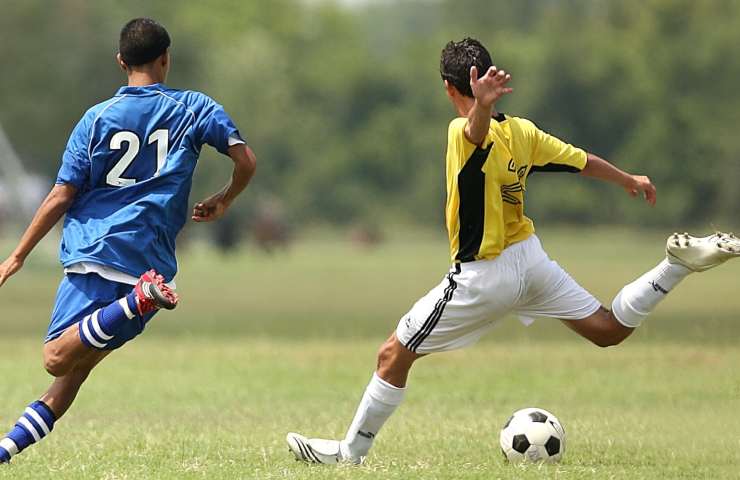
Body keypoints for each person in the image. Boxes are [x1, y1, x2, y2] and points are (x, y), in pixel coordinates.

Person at [286, 37, 740, 465]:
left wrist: (481, 107)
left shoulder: (459, 130)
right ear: (484, 75)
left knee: (393, 355)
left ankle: (351, 453)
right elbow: (579, 160)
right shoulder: (522, 131)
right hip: (530, 259)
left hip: (483, 275)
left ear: (447, 87)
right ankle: (675, 266)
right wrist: (628, 179)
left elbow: (474, 133)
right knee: (607, 329)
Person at [0, 18, 256, 463]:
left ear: (121, 61)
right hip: (151, 261)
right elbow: (245, 160)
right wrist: (225, 198)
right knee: (72, 377)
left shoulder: (96, 118)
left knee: (56, 358)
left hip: (98, 252)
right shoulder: (194, 107)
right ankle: (4, 453)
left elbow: (63, 194)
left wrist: (17, 255)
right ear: (165, 59)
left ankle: (135, 300)